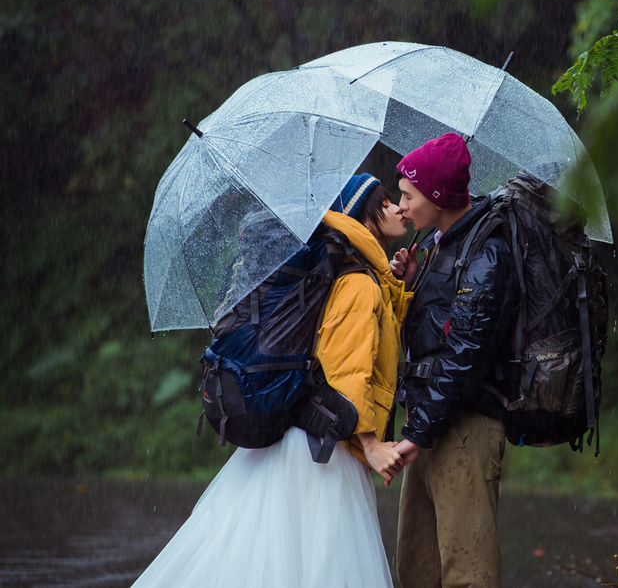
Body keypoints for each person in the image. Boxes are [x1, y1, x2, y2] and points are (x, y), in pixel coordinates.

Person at [132, 173, 411, 588]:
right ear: (362, 215)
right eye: (385, 202)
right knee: (320, 564)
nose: (395, 209)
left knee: (254, 555)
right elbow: (347, 367)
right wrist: (370, 443)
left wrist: (397, 282)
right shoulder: (359, 283)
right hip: (324, 449)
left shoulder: (354, 275)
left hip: (299, 435)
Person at [388, 132, 520, 588]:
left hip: (464, 429)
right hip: (427, 422)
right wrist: (408, 284)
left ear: (438, 195)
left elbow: (463, 358)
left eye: (408, 195)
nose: (401, 206)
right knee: (415, 570)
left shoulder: (486, 252)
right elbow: (427, 335)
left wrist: (417, 435)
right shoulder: (436, 246)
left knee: (468, 574)